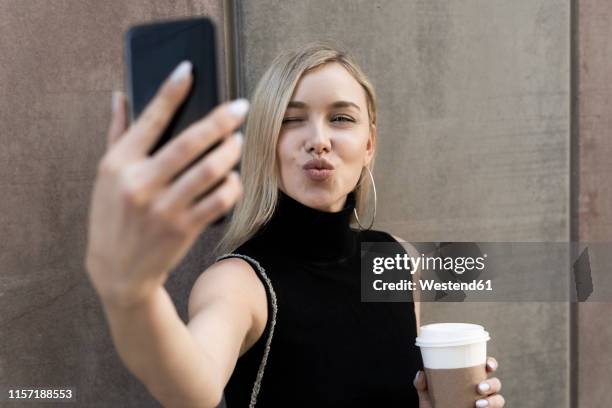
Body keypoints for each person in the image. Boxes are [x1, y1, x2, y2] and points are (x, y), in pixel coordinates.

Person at [85, 42, 505, 407]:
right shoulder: (239, 283)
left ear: (369, 144)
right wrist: (132, 294)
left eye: (341, 118)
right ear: (267, 141)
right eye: (291, 119)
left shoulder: (396, 258)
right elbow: (190, 389)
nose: (318, 139)